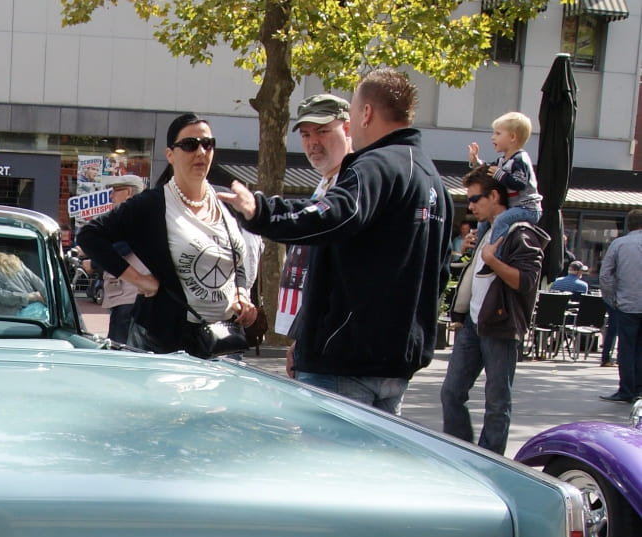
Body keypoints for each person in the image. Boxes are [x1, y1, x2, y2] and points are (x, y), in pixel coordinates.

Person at [221, 68, 452, 414]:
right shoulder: (432, 179)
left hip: (347, 360)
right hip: (394, 360)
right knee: (368, 464)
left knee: (329, 464)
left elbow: (331, 216)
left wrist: (261, 212)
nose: (314, 141)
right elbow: (440, 273)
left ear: (365, 113)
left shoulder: (374, 166)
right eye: (307, 134)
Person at [77, 112, 260, 357]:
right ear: (170, 155)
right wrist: (139, 279)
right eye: (190, 145)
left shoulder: (224, 202)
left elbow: (236, 257)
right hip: (167, 342)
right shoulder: (152, 205)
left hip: (223, 339)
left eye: (207, 144)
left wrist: (241, 292)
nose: (201, 152)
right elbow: (90, 235)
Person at [440, 167, 546, 455]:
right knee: (451, 391)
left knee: (497, 401)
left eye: (475, 199)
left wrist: (492, 261)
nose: (470, 206)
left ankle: (490, 458)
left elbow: (526, 281)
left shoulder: (519, 232)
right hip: (474, 324)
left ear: (495, 195)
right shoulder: (487, 230)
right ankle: (459, 451)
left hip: (500, 324)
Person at [275, 93, 353, 377]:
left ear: (348, 128)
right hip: (316, 339)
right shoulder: (328, 182)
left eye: (322, 131)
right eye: (306, 134)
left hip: (335, 351)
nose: (312, 142)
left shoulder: (352, 183)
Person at [79, 175, 146, 343]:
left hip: (130, 295)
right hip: (124, 294)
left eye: (116, 191)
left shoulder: (136, 216)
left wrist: (93, 262)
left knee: (120, 346)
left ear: (129, 192)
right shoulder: (128, 216)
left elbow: (121, 247)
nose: (111, 196)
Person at [467, 112, 542, 257]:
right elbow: (488, 172)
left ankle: (496, 254)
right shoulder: (502, 160)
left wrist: (500, 175)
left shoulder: (521, 159)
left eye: (498, 133)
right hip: (513, 207)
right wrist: (476, 162)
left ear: (513, 137)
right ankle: (475, 254)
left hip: (527, 208)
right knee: (484, 222)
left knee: (501, 219)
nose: (492, 137)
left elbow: (519, 183)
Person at [599, 208, 642, 403]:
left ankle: (627, 389)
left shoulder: (619, 244)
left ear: (628, 224)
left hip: (626, 304)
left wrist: (612, 298)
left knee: (626, 348)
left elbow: (605, 275)